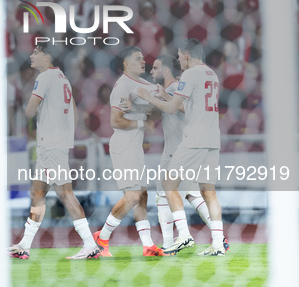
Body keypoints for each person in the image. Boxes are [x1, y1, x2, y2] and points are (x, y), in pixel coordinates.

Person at [9, 44, 100, 260]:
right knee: (38, 194)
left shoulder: (45, 78)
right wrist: (65, 133)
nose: (31, 55)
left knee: (64, 194)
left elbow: (29, 111)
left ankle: (89, 244)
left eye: (35, 53)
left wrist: (35, 108)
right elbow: (75, 112)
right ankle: (25, 244)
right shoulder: (62, 78)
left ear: (47, 56)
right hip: (55, 144)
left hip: (50, 146)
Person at [137, 39, 226, 256]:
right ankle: (217, 243)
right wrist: (168, 96)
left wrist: (148, 97)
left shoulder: (189, 74)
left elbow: (171, 108)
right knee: (208, 192)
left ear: (186, 56)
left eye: (179, 56)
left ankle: (184, 235)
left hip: (194, 139)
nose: (178, 60)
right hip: (213, 138)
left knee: (168, 182)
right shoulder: (211, 74)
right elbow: (188, 107)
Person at [93, 46, 165, 257]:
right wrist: (143, 122)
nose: (143, 61)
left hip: (135, 147)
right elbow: (115, 121)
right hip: (123, 146)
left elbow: (160, 109)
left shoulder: (144, 84)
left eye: (143, 58)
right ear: (125, 63)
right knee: (132, 196)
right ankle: (102, 237)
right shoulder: (122, 86)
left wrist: (142, 111)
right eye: (137, 58)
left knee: (142, 195)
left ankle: (148, 245)